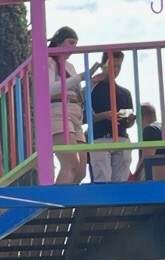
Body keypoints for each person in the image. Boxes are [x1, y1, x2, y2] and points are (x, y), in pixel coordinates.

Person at [87, 49, 136, 182]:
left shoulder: (125, 92)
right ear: (104, 65)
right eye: (112, 65)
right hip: (99, 138)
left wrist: (130, 119)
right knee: (102, 179)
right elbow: (84, 117)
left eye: (118, 66)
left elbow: (128, 120)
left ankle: (119, 203)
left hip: (121, 138)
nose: (115, 69)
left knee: (121, 181)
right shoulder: (91, 89)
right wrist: (105, 115)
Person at [46, 27, 87, 184]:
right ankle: (55, 206)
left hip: (76, 114)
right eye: (70, 43)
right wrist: (80, 78)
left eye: (75, 44)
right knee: (70, 163)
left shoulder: (70, 66)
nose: (73, 48)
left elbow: (74, 89)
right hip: (58, 111)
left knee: (81, 170)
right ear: (59, 41)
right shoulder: (49, 60)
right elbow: (48, 90)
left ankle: (66, 206)